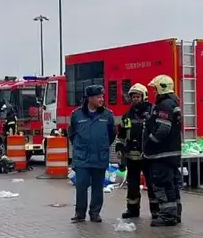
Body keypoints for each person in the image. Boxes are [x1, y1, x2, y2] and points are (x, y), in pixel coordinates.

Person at [68, 85, 116, 223]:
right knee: (81, 185)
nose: (101, 99)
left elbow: (112, 135)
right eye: (98, 97)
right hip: (82, 157)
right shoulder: (77, 115)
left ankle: (95, 213)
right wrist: (80, 147)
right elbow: (72, 134)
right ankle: (80, 213)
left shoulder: (107, 115)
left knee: (97, 187)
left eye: (102, 96)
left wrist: (101, 146)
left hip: (100, 156)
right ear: (89, 98)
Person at [143, 75, 183, 227]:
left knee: (162, 185)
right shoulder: (173, 103)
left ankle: (167, 216)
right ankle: (175, 213)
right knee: (172, 185)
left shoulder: (164, 105)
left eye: (155, 89)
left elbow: (163, 129)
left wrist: (150, 143)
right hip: (172, 153)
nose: (154, 92)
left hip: (162, 154)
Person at [116, 83, 159, 219]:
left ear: (144, 97)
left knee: (152, 185)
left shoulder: (153, 113)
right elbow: (121, 136)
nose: (135, 99)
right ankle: (132, 210)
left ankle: (156, 211)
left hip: (148, 157)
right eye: (133, 97)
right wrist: (120, 150)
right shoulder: (127, 116)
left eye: (138, 96)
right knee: (132, 186)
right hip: (132, 158)